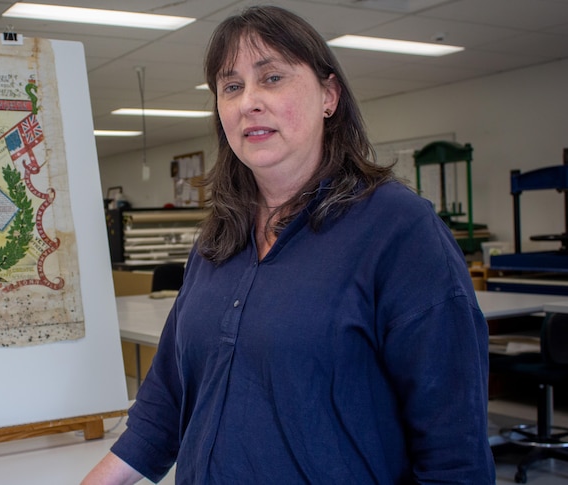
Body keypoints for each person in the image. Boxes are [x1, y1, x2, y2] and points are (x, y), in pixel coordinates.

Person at [83, 5, 494, 484]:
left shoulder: (400, 230)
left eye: (272, 78)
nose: (248, 102)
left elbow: (452, 447)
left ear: (329, 95)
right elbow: (167, 402)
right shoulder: (219, 236)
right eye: (231, 86)